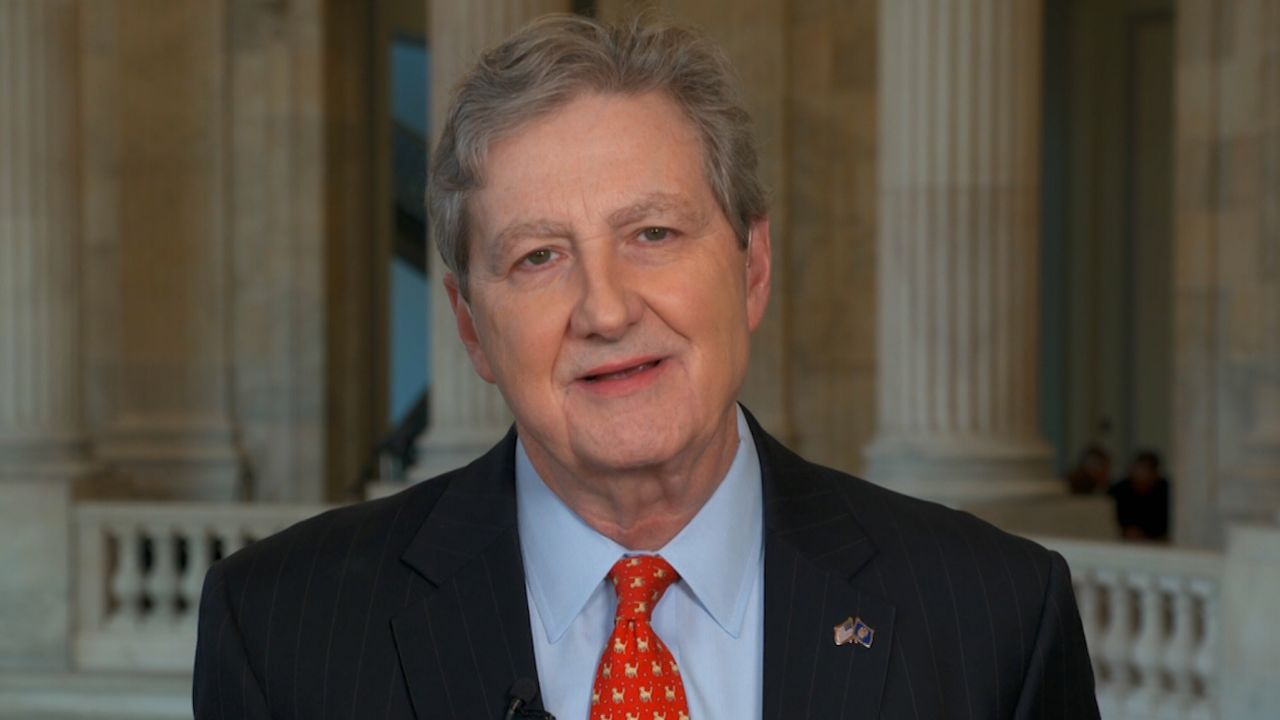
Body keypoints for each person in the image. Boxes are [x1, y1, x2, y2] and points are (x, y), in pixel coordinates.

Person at [193, 15, 1098, 719]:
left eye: (653, 234)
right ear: (470, 325)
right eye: (538, 257)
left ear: (752, 267)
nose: (607, 309)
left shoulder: (995, 619)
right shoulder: (280, 633)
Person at [1109, 450, 1170, 541]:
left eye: (1145, 471)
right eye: (1137, 470)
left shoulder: (1166, 491)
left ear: (1155, 474)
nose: (1140, 475)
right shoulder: (1119, 490)